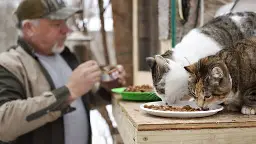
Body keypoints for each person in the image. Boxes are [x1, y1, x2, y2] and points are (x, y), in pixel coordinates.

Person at [0, 0, 126, 144]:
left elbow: (82, 101)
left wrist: (107, 88)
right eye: (57, 24)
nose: (67, 30)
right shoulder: (9, 65)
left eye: (65, 23)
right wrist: (68, 92)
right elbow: (3, 123)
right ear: (29, 28)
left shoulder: (66, 57)